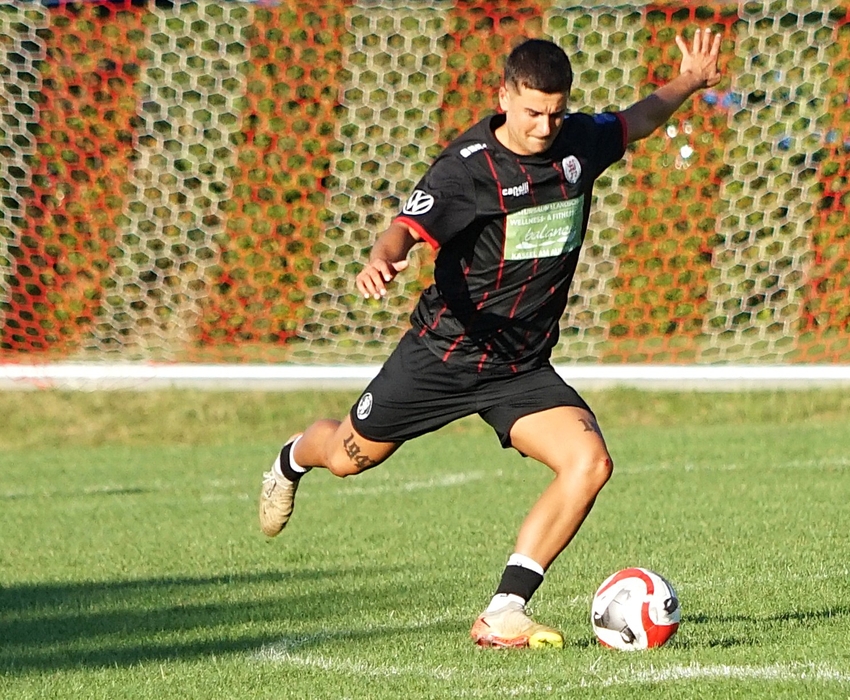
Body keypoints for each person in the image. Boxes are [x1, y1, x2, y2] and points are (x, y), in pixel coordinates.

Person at [260, 27, 723, 648]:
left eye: (555, 113)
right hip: (443, 354)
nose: (544, 127)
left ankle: (504, 610)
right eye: (532, 112)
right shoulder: (466, 169)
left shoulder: (578, 143)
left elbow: (636, 120)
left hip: (519, 367)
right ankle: (292, 458)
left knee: (589, 463)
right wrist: (382, 258)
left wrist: (690, 81)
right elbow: (405, 227)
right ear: (504, 97)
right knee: (347, 457)